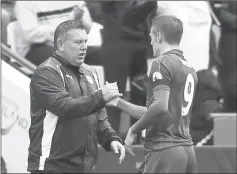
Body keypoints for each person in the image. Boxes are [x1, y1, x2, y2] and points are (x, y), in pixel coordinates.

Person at [28, 20, 126, 173]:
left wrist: (111, 138)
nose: (84, 47)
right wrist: (101, 97)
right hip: (51, 166)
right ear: (60, 44)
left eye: (86, 41)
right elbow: (65, 107)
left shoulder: (90, 72)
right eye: (78, 42)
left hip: (85, 167)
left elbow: (99, 117)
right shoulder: (46, 72)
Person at [107, 15, 198, 173]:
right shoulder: (189, 68)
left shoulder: (162, 62)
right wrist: (118, 102)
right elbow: (156, 111)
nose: (150, 42)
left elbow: (160, 107)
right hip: (187, 151)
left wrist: (133, 129)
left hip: (164, 149)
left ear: (159, 36)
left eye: (151, 37)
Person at [14, 1, 93, 66]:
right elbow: (32, 35)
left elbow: (87, 28)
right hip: (36, 47)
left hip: (69, 45)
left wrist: (80, 20)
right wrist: (67, 23)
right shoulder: (24, 3)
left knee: (99, 55)